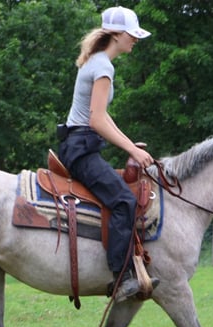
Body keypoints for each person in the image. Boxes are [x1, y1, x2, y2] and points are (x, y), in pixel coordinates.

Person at [58, 5, 158, 302]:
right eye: (131, 34)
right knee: (124, 201)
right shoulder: (103, 67)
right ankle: (121, 278)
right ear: (116, 35)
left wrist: (130, 144)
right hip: (81, 149)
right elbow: (97, 121)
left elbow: (102, 116)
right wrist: (130, 149)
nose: (135, 40)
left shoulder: (97, 61)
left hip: (79, 144)